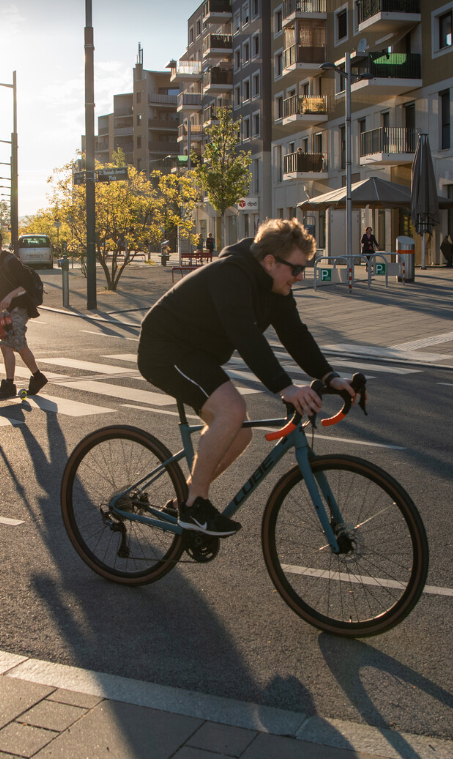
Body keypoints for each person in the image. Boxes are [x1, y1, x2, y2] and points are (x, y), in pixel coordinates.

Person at [137, 218, 354, 538]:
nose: (300, 276)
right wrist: (285, 386)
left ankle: (184, 499)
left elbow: (295, 335)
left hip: (198, 355)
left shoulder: (276, 286)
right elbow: (246, 336)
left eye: (303, 268)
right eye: (296, 269)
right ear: (270, 261)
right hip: (165, 350)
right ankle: (195, 507)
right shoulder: (231, 274)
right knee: (232, 410)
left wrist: (330, 376)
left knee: (239, 434)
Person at [0, 228, 47, 399]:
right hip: (4, 310)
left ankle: (9, 384)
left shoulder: (10, 261)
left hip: (20, 307)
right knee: (18, 344)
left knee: (7, 344)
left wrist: (10, 296)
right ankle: (38, 377)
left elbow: (27, 283)